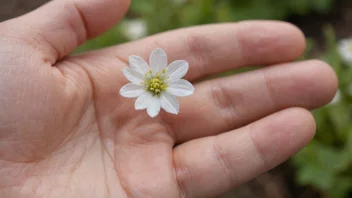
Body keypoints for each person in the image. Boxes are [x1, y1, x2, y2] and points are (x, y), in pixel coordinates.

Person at [0, 0, 338, 197]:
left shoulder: (164, 85)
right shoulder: (143, 82)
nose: (158, 82)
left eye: (159, 81)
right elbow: (144, 89)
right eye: (156, 80)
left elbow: (167, 92)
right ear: (151, 78)